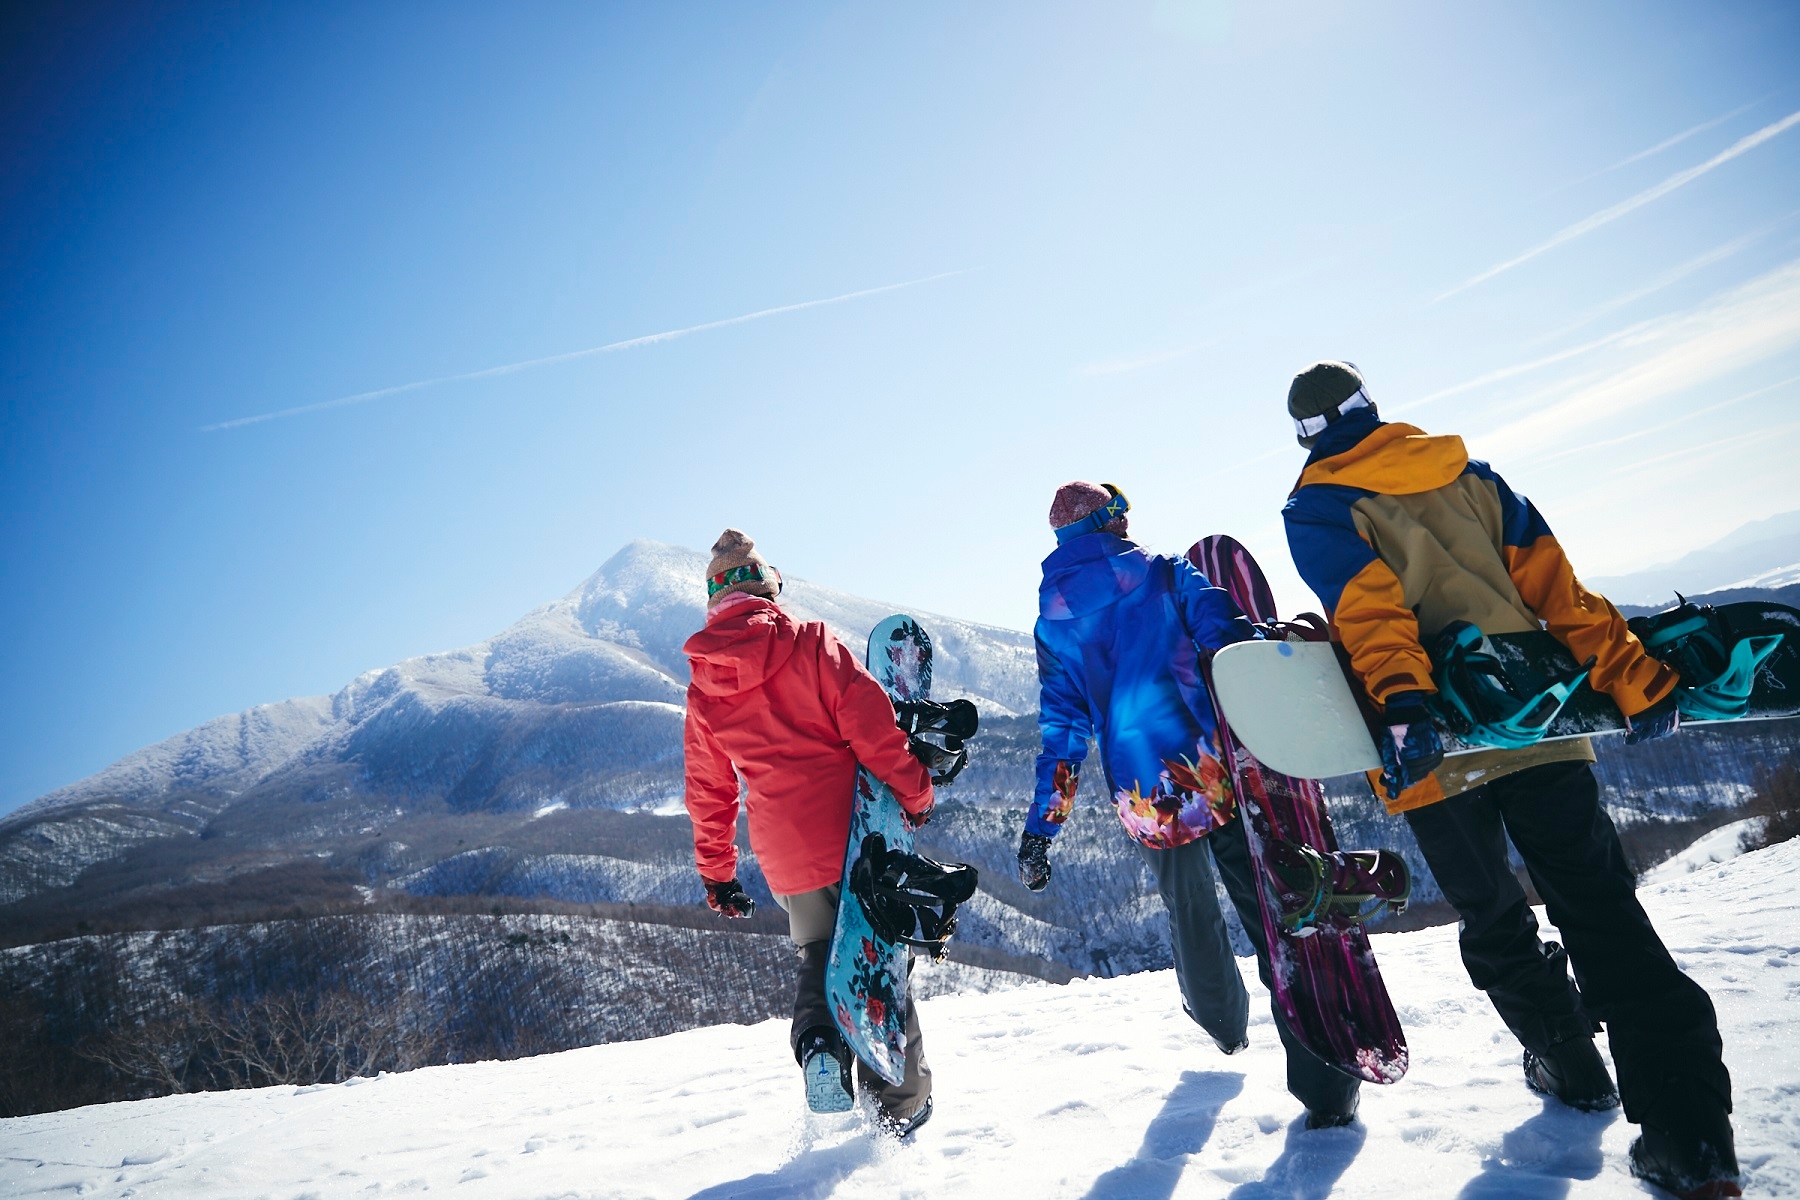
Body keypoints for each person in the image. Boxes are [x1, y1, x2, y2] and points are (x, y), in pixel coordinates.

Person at [1280, 361, 1738, 1198]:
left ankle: (1571, 1069)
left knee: (1493, 915)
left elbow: (1369, 607)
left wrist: (1409, 705)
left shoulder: (1316, 506)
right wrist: (1626, 668)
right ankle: (1691, 1137)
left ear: (1306, 436)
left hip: (1432, 750)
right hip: (1543, 720)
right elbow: (1557, 590)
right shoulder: (1469, 474)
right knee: (1602, 909)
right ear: (1374, 408)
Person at [1017, 481, 1365, 1128]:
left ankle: (1222, 1023)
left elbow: (1063, 733)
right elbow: (1233, 642)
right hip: (1212, 771)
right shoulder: (1166, 574)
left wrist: (1044, 826)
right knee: (1269, 917)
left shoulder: (1051, 620)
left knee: (1189, 915)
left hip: (1145, 798)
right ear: (1112, 521)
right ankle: (1322, 1083)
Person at [682, 529, 937, 1138]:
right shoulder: (812, 644)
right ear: (770, 589)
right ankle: (901, 1109)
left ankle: (820, 1044)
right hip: (853, 836)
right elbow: (874, 730)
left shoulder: (704, 687)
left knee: (826, 958)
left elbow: (709, 791)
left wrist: (718, 873)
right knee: (877, 963)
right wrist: (916, 790)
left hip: (785, 855)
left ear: (715, 605)